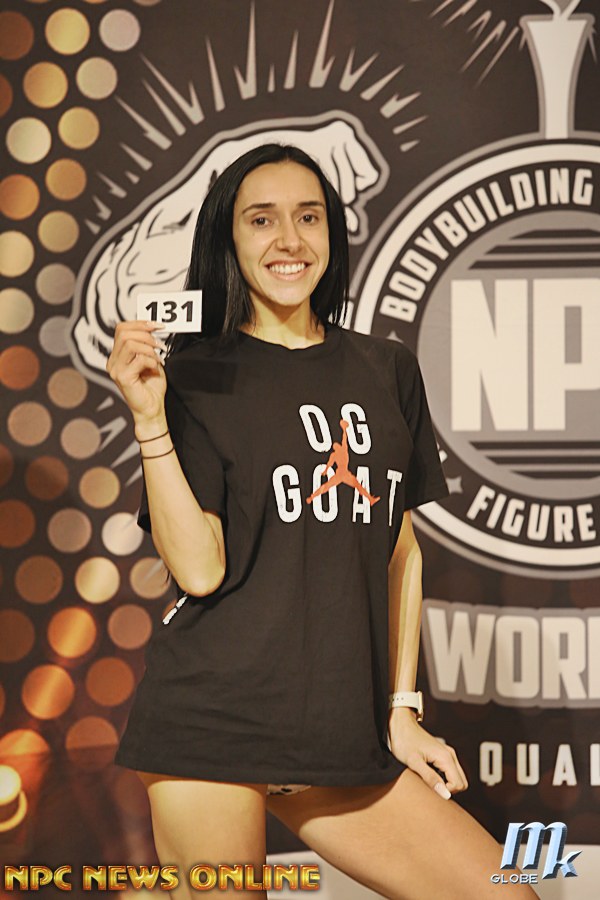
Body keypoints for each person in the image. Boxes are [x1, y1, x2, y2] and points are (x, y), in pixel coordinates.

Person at [107, 145, 537, 900]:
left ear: (333, 233)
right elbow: (199, 569)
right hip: (210, 723)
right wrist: (150, 420)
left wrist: (400, 711)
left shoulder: (388, 369)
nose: (289, 240)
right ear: (229, 237)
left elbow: (401, 551)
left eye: (308, 217)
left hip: (336, 731)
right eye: (261, 220)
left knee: (507, 893)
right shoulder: (196, 373)